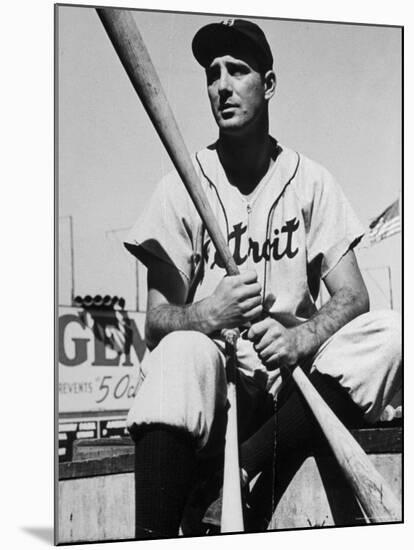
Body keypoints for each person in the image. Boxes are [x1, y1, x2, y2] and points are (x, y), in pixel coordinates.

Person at [124, 18, 401, 538]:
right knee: (178, 353)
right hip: (215, 387)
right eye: (212, 73)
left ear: (268, 84)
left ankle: (248, 471)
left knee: (391, 334)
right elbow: (156, 322)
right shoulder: (181, 185)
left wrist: (302, 337)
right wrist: (208, 314)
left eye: (238, 70)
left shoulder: (311, 181)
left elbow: (354, 296)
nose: (222, 85)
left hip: (293, 387)